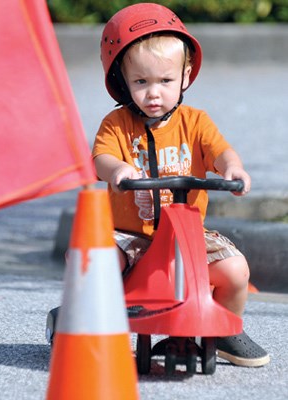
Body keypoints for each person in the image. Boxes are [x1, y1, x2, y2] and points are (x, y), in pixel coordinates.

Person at [92, 3, 270, 368]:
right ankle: (108, 334)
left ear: (185, 76)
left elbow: (219, 152)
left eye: (165, 81)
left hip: (186, 235)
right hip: (130, 235)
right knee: (102, 263)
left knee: (236, 271)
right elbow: (101, 158)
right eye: (141, 82)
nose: (153, 93)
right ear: (122, 80)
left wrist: (233, 169)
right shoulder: (116, 124)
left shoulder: (196, 122)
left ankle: (224, 327)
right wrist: (118, 170)